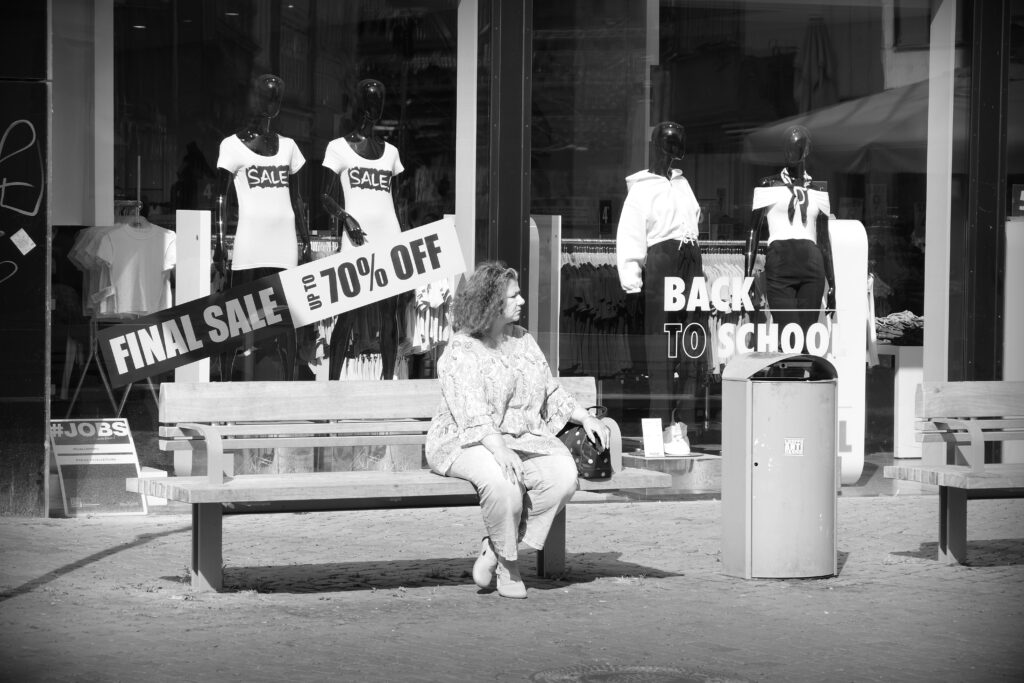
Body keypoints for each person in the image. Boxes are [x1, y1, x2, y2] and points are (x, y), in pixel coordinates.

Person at [425, 262, 611, 599]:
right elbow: (471, 410)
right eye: (514, 296)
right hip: (466, 439)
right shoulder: (462, 349)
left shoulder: (523, 340)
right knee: (504, 481)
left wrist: (586, 418)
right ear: (491, 303)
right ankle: (509, 567)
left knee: (563, 477)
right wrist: (498, 449)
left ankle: (495, 549)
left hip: (523, 436)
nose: (522, 300)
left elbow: (550, 390)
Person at [214, 73, 311, 380]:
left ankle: (290, 388)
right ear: (253, 98)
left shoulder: (290, 147)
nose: (270, 102)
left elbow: (297, 199)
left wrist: (305, 238)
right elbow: (220, 197)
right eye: (265, 95)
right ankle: (227, 389)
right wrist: (220, 240)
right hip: (249, 242)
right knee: (237, 319)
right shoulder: (231, 146)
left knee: (285, 319)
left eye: (276, 97)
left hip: (284, 244)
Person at [615, 121, 703, 427]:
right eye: (669, 147)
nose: (673, 155)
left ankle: (686, 422)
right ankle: (661, 420)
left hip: (691, 259)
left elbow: (693, 219)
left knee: (692, 339)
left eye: (678, 148)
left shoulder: (682, 184)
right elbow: (630, 238)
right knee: (660, 343)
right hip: (663, 260)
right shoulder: (641, 191)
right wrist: (632, 286)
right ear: (657, 147)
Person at [321, 79, 404, 380]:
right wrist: (346, 217)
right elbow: (325, 195)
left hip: (389, 237)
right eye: (371, 102)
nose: (375, 109)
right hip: (355, 240)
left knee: (389, 315)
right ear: (360, 105)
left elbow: (397, 202)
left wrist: (405, 241)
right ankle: (332, 386)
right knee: (348, 313)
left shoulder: (391, 153)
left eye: (380, 102)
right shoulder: (338, 148)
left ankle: (387, 383)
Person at [744, 125, 836, 345]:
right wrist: (747, 277)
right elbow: (753, 232)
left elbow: (823, 240)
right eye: (787, 147)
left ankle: (801, 378)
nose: (791, 153)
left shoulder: (818, 190)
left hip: (812, 265)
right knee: (788, 335)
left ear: (807, 151)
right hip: (780, 262)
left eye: (797, 147)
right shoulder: (768, 185)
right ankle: (787, 376)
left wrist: (832, 282)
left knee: (806, 337)